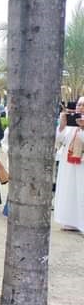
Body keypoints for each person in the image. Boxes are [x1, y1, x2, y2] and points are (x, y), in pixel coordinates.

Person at [53, 99, 84, 231]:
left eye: (83, 105)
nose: (81, 107)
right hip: (69, 164)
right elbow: (59, 140)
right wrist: (62, 125)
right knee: (69, 190)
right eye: (79, 105)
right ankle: (70, 221)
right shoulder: (71, 124)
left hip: (82, 164)